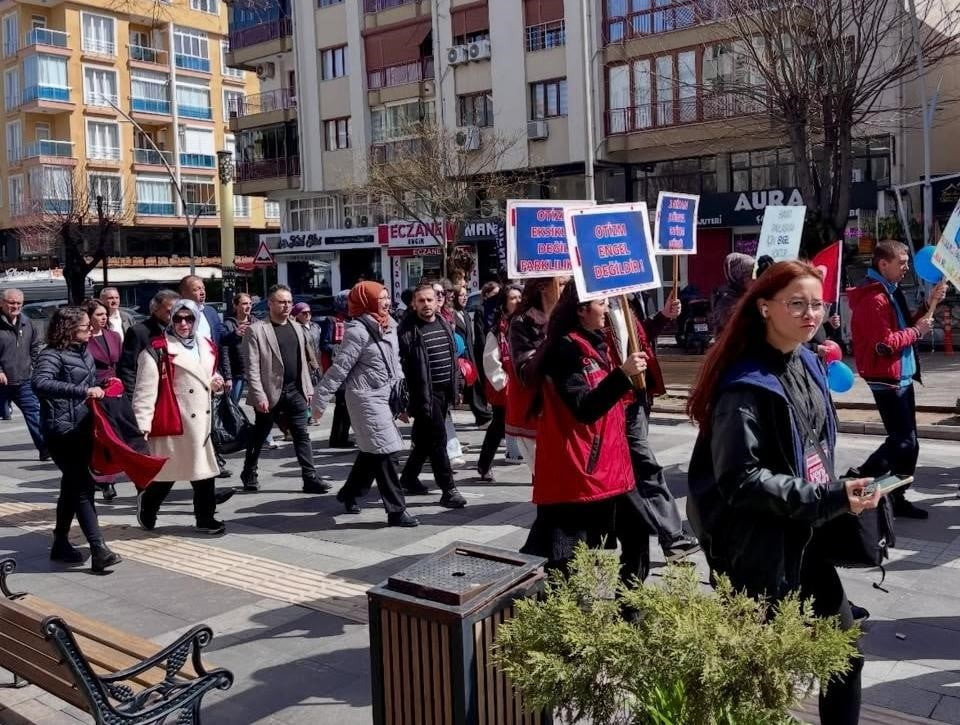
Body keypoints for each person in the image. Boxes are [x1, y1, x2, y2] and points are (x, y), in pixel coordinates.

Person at [686, 260, 881, 725]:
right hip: (757, 551)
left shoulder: (809, 361)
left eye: (817, 303)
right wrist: (829, 498)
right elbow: (739, 480)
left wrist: (842, 492)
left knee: (843, 655)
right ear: (764, 307)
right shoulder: (744, 386)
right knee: (756, 677)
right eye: (796, 303)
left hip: (803, 534)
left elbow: (814, 447)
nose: (810, 313)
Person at [520, 285, 652, 581]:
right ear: (581, 310)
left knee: (638, 533)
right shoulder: (564, 350)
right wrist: (623, 375)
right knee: (559, 557)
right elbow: (584, 408)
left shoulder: (594, 343)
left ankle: (630, 610)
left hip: (609, 468)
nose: (607, 309)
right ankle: (547, 615)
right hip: (578, 471)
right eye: (602, 303)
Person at [847, 240, 946, 519]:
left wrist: (929, 304)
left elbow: (904, 324)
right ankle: (857, 480)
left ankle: (897, 495)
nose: (906, 268)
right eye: (901, 262)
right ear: (883, 264)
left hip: (901, 376)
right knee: (902, 441)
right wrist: (917, 331)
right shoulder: (873, 298)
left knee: (909, 442)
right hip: (886, 379)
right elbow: (885, 344)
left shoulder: (890, 291)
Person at [313, 282, 418, 527]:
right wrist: (320, 400)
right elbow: (339, 369)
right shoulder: (357, 331)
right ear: (367, 301)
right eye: (380, 298)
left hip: (385, 396)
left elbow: (395, 365)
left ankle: (349, 493)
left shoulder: (389, 325)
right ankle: (396, 511)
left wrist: (401, 398)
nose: (386, 301)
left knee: (373, 452)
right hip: (365, 398)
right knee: (387, 452)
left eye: (387, 296)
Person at [606, 293, 701, 561]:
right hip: (615, 397)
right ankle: (672, 536)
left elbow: (637, 335)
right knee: (644, 464)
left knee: (635, 467)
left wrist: (663, 316)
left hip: (638, 393)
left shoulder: (626, 299)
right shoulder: (590, 302)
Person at [33, 307, 121, 572]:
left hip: (82, 428)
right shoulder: (51, 354)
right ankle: (98, 549)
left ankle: (60, 542)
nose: (91, 330)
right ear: (69, 329)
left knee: (71, 488)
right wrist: (83, 390)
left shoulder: (84, 352)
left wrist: (103, 387)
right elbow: (39, 383)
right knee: (83, 487)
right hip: (61, 432)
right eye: (85, 327)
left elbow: (89, 381)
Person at [133, 300, 228, 535]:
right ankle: (148, 505)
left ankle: (205, 519)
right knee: (167, 474)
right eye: (178, 318)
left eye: (189, 318)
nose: (183, 323)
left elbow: (206, 373)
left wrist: (215, 382)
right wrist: (142, 424)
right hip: (173, 420)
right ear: (171, 319)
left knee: (203, 472)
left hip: (201, 422)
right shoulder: (157, 349)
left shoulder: (206, 345)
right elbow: (145, 391)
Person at [240, 284, 329, 494]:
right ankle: (249, 471)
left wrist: (308, 388)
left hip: (295, 390)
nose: (286, 306)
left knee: (301, 434)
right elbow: (251, 367)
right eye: (281, 302)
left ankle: (310, 477)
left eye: (289, 302)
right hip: (270, 393)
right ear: (270, 303)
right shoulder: (257, 330)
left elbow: (303, 361)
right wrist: (259, 394)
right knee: (260, 434)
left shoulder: (297, 327)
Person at [398, 283, 467, 508]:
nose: (426, 305)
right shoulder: (407, 330)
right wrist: (405, 402)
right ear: (413, 303)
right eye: (421, 301)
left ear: (437, 301)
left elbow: (452, 357)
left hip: (444, 392)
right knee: (438, 440)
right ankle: (449, 489)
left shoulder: (443, 323)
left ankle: (408, 478)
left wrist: (456, 388)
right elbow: (402, 368)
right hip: (424, 395)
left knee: (424, 441)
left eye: (430, 300)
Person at [507, 276, 568, 466]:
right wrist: (552, 335)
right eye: (563, 283)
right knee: (545, 472)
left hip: (569, 406)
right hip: (538, 409)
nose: (568, 288)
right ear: (543, 287)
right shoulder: (522, 322)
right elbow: (527, 374)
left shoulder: (572, 316)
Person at [478, 284, 522, 481]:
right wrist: (504, 383)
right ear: (504, 304)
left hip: (525, 384)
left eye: (520, 297)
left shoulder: (527, 325)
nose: (518, 301)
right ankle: (484, 465)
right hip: (505, 387)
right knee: (498, 427)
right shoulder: (497, 331)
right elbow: (491, 361)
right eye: (513, 298)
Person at [0, 288, 47, 459]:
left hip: (23, 380)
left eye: (19, 303)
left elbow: (35, 347)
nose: (15, 306)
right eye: (11, 302)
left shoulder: (28, 323)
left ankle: (45, 448)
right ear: (2, 303)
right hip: (1, 381)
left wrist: (35, 367)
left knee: (34, 414)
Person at [85, 298, 124, 501]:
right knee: (98, 437)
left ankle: (108, 477)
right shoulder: (83, 340)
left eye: (105, 314)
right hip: (93, 392)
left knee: (112, 436)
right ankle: (103, 479)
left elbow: (121, 362)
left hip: (114, 391)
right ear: (88, 317)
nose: (104, 318)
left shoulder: (114, 336)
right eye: (99, 314)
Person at [118, 289, 179, 397]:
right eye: (169, 311)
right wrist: (133, 396)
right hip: (148, 393)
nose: (174, 315)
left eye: (177, 311)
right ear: (155, 309)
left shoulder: (179, 330)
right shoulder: (138, 332)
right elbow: (128, 368)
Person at [320, 291, 353, 447]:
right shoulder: (332, 321)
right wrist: (342, 348)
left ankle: (342, 436)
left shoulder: (352, 321)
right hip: (337, 368)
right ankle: (337, 438)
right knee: (341, 404)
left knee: (347, 404)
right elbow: (325, 344)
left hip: (350, 367)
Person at [470, 281, 501, 427]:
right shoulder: (480, 310)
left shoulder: (499, 309)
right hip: (485, 351)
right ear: (487, 294)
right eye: (494, 294)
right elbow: (480, 334)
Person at [711, 252, 756, 336]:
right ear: (739, 278)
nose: (755, 281)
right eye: (750, 277)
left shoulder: (748, 294)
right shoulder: (726, 299)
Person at [221, 293, 253, 404]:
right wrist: (228, 377)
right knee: (232, 405)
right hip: (237, 373)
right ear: (235, 305)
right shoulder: (228, 325)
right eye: (244, 303)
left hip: (254, 372)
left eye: (250, 303)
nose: (248, 306)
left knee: (261, 405)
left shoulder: (256, 323)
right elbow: (224, 352)